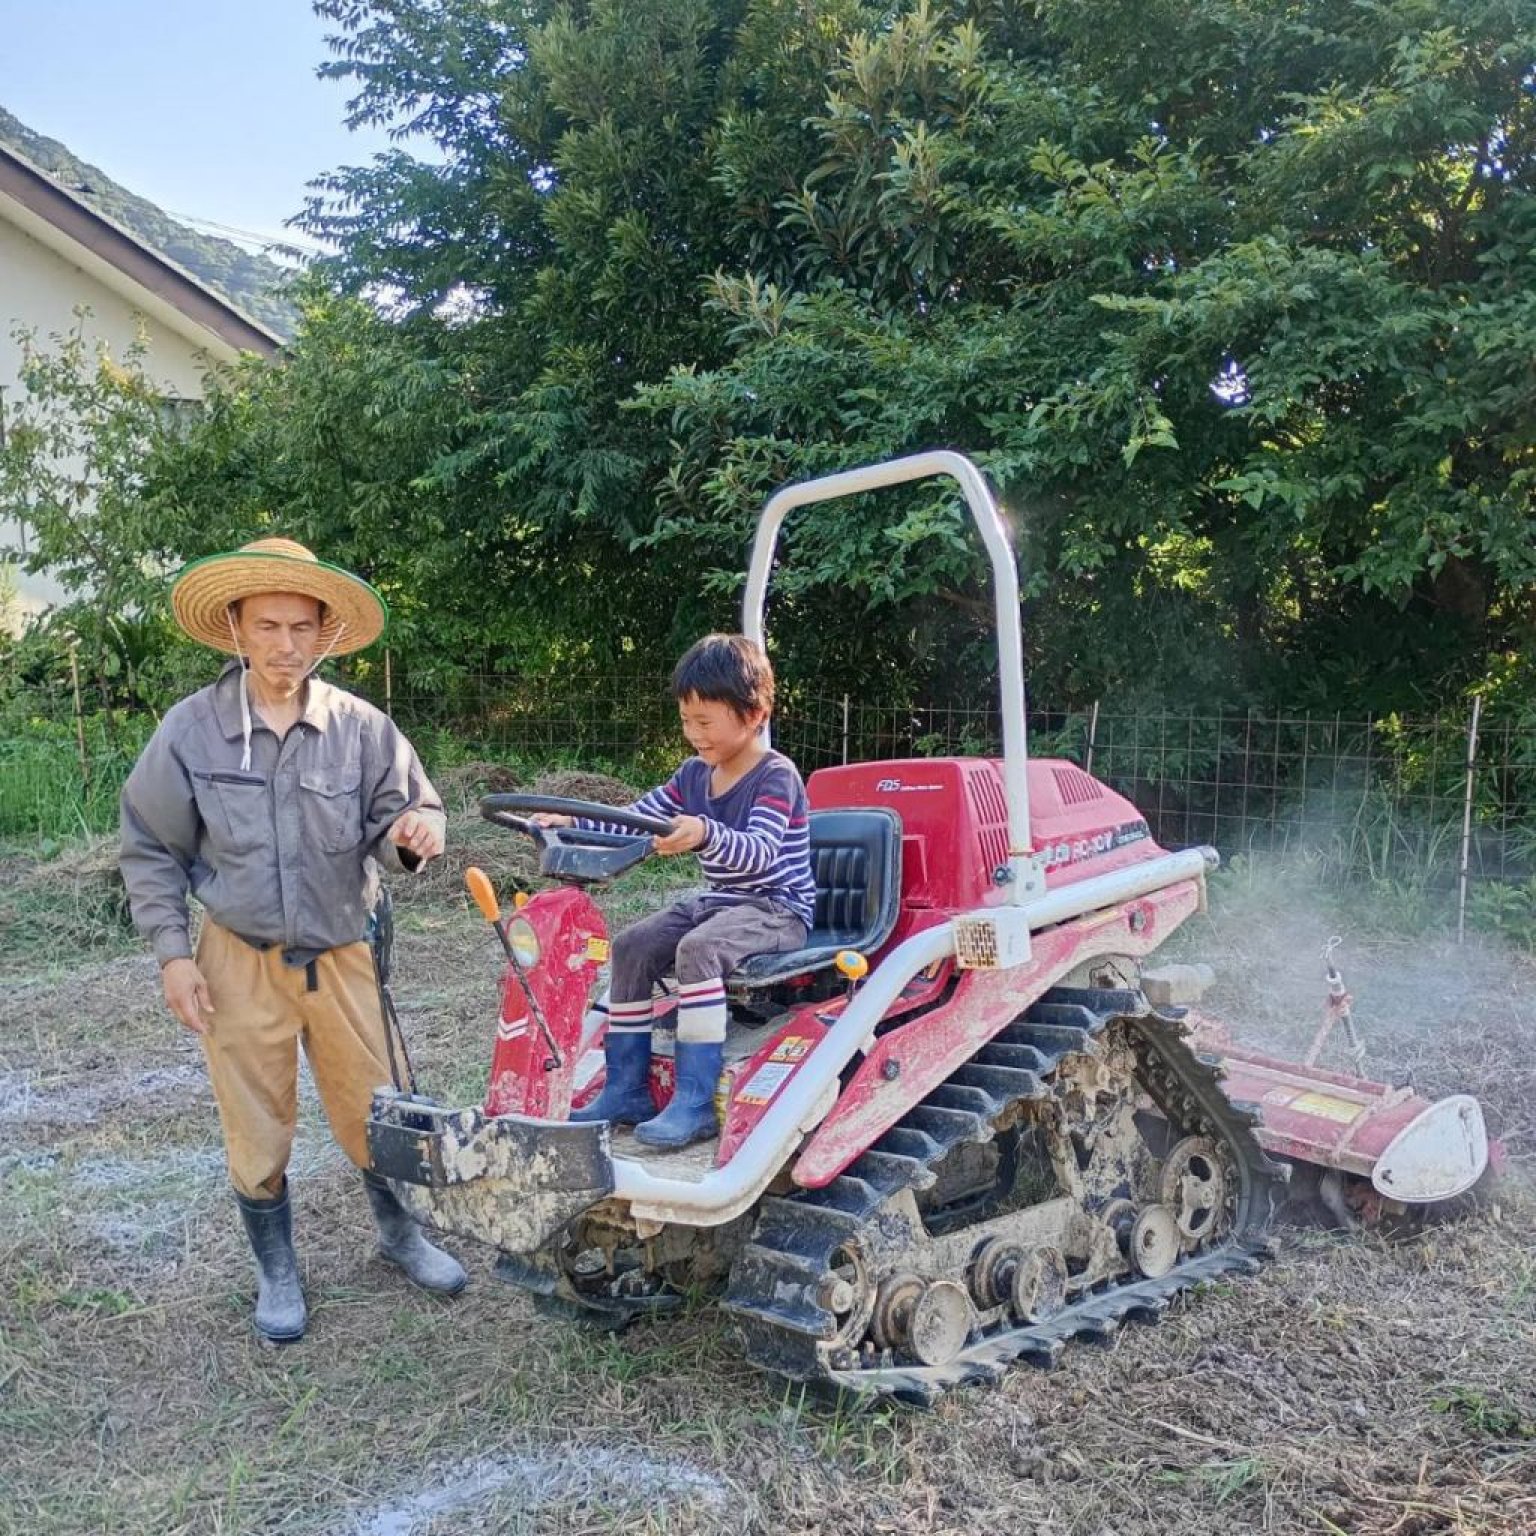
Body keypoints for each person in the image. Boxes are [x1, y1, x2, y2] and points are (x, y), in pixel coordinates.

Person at [118, 537, 467, 1344]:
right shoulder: (189, 733)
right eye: (268, 626)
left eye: (301, 628)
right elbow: (149, 846)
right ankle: (277, 1271)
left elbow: (410, 816)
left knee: (372, 1107)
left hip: (343, 954)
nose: (285, 645)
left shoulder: (361, 728)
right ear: (236, 628)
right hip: (236, 958)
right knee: (256, 1123)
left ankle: (399, 1235)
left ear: (323, 634)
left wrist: (418, 833)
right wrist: (174, 954)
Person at [539, 634, 816, 1150]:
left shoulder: (776, 776)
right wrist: (572, 821)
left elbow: (759, 852)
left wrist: (705, 833)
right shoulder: (693, 775)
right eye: (687, 721)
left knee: (699, 949)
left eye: (705, 722)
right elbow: (638, 820)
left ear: (754, 713)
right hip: (722, 903)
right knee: (631, 946)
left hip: (777, 908)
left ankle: (694, 1101)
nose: (693, 734)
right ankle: (626, 1090)